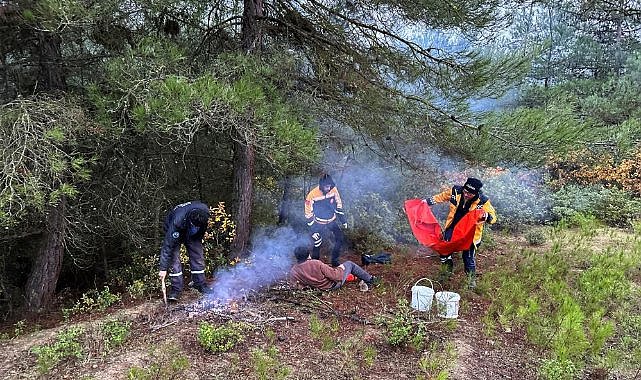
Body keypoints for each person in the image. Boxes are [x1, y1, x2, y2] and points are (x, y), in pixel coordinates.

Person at [425, 177, 497, 288]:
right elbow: (442, 197)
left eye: (470, 194)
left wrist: (486, 216)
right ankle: (446, 274)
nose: (467, 195)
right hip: (452, 228)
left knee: (467, 257)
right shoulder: (456, 191)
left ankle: (470, 281)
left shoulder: (483, 201)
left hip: (470, 234)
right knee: (444, 250)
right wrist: (426, 202)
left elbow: (493, 218)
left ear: (476, 193)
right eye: (465, 191)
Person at [158, 201, 212, 301]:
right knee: (174, 260)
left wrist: (196, 236)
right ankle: (176, 290)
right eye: (195, 226)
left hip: (191, 233)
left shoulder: (204, 215)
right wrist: (163, 268)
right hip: (175, 229)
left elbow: (201, 230)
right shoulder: (176, 222)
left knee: (197, 255)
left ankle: (199, 284)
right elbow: (167, 246)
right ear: (190, 220)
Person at [289, 246, 379, 291]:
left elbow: (297, 286)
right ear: (308, 254)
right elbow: (336, 277)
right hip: (332, 286)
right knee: (349, 264)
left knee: (342, 267)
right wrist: (341, 269)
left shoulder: (294, 270)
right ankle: (371, 279)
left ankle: (364, 278)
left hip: (316, 289)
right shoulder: (316, 263)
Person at [304, 173, 347, 267]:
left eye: (330, 186)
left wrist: (343, 220)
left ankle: (334, 262)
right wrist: (313, 230)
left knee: (339, 239)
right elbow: (308, 214)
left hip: (332, 221)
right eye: (326, 186)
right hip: (318, 223)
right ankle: (315, 265)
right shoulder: (312, 195)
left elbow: (339, 205)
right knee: (317, 242)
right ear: (321, 186)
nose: (328, 188)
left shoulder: (333, 190)